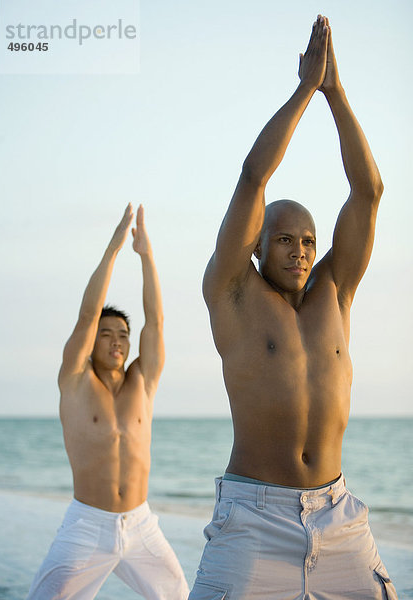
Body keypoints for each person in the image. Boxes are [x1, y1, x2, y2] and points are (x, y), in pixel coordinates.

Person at [189, 15, 397, 600]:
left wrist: (337, 92)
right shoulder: (233, 290)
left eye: (308, 241)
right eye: (284, 238)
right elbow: (254, 177)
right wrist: (306, 89)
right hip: (253, 518)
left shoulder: (336, 291)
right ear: (256, 245)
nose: (301, 250)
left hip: (337, 515)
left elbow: (368, 191)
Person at [27, 204, 189, 599]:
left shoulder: (143, 380)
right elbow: (86, 316)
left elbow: (157, 319)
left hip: (141, 524)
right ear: (91, 343)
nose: (117, 341)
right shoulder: (75, 381)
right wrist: (115, 249)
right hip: (87, 524)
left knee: (182, 595)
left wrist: (146, 255)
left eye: (122, 334)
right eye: (107, 334)